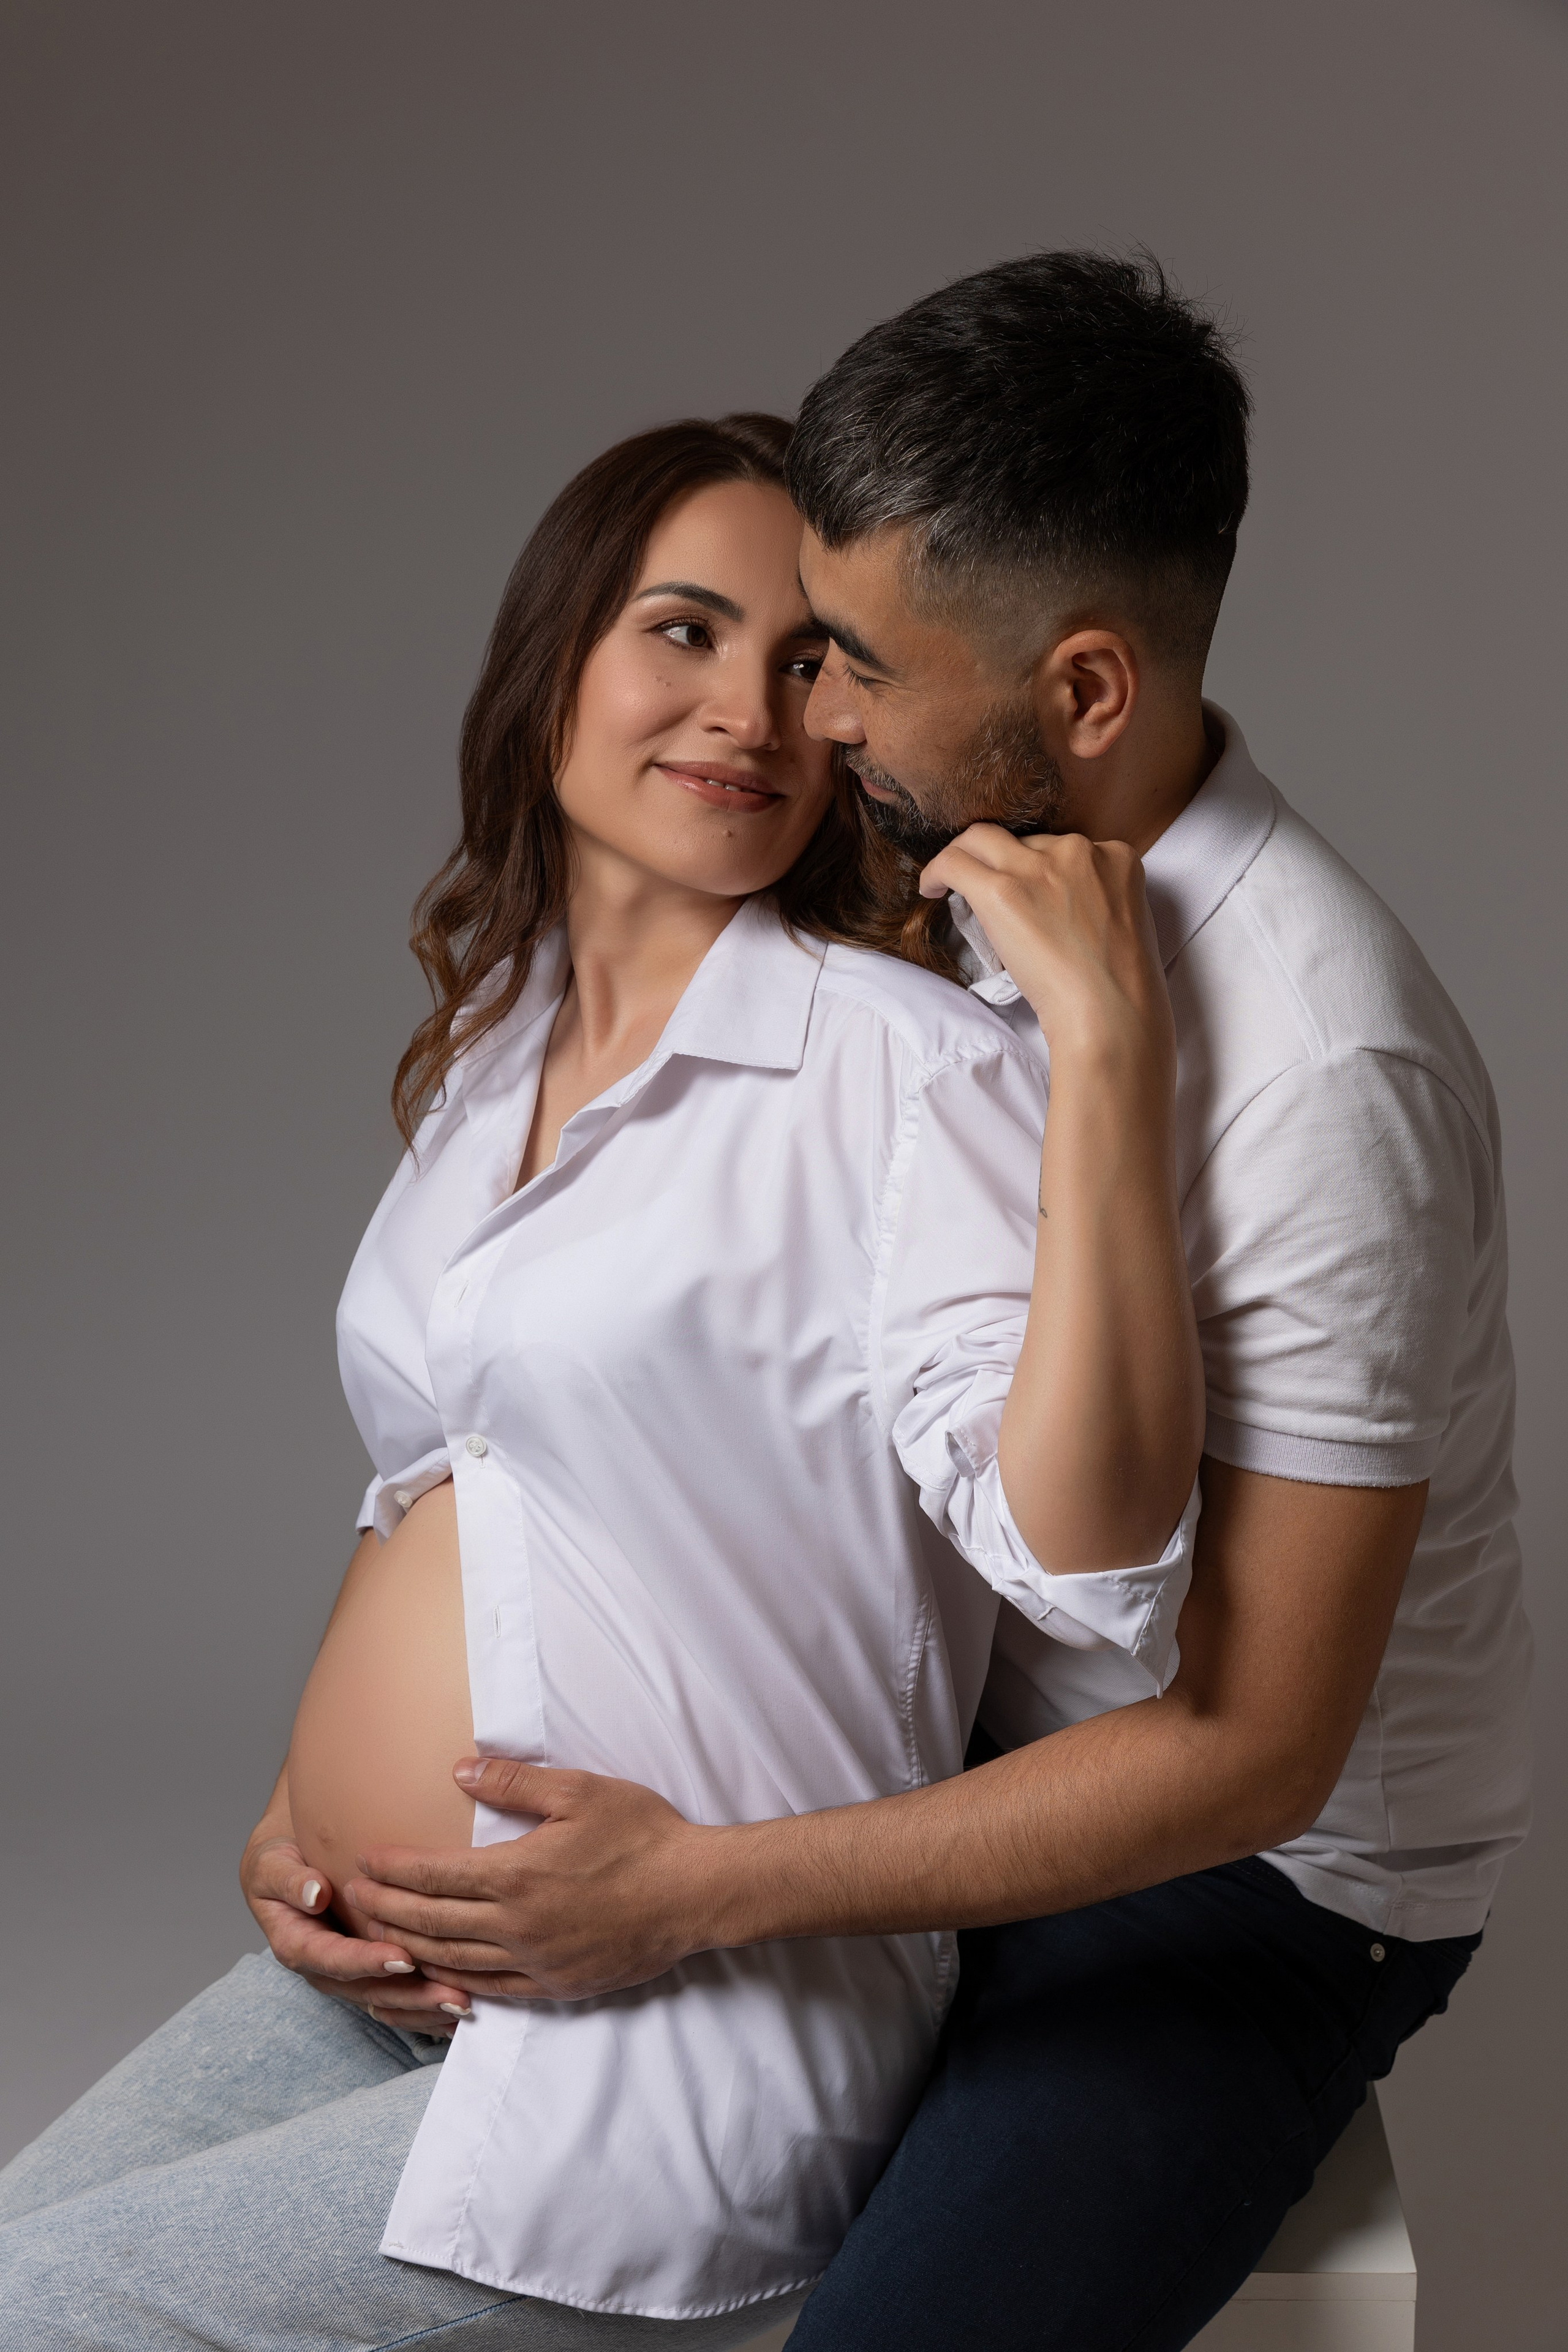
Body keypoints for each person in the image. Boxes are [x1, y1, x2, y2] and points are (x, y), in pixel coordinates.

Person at [341, 257, 1532, 2352]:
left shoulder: (1324, 1066)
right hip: (955, 1728)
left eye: (856, 667)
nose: (810, 722)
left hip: (1247, 1888)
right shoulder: (962, 863)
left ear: (1083, 692)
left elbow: (1251, 1756)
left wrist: (697, 1886)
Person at [0, 410, 1207, 2350]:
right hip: (381, 1967)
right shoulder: (496, 1057)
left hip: (673, 2022)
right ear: (557, 659)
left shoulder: (901, 1072)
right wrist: (289, 1810)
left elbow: (1092, 1550)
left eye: (807, 656)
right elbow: (452, 1481)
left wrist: (1114, 1066)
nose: (745, 706)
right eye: (684, 630)